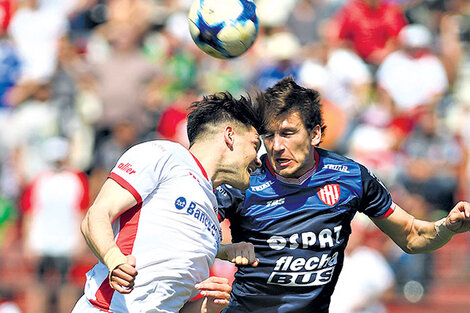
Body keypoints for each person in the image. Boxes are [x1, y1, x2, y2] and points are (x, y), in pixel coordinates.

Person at [215, 77, 470, 313]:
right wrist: (224, 250)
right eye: (269, 135)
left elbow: (411, 236)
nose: (277, 146)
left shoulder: (351, 177)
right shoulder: (244, 179)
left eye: (288, 133)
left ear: (315, 134)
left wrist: (447, 227)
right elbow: (188, 231)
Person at [72, 91, 264, 313]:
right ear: (229, 135)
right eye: (254, 145)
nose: (258, 160)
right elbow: (97, 215)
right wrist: (113, 258)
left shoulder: (212, 210)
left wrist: (207, 306)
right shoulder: (164, 154)